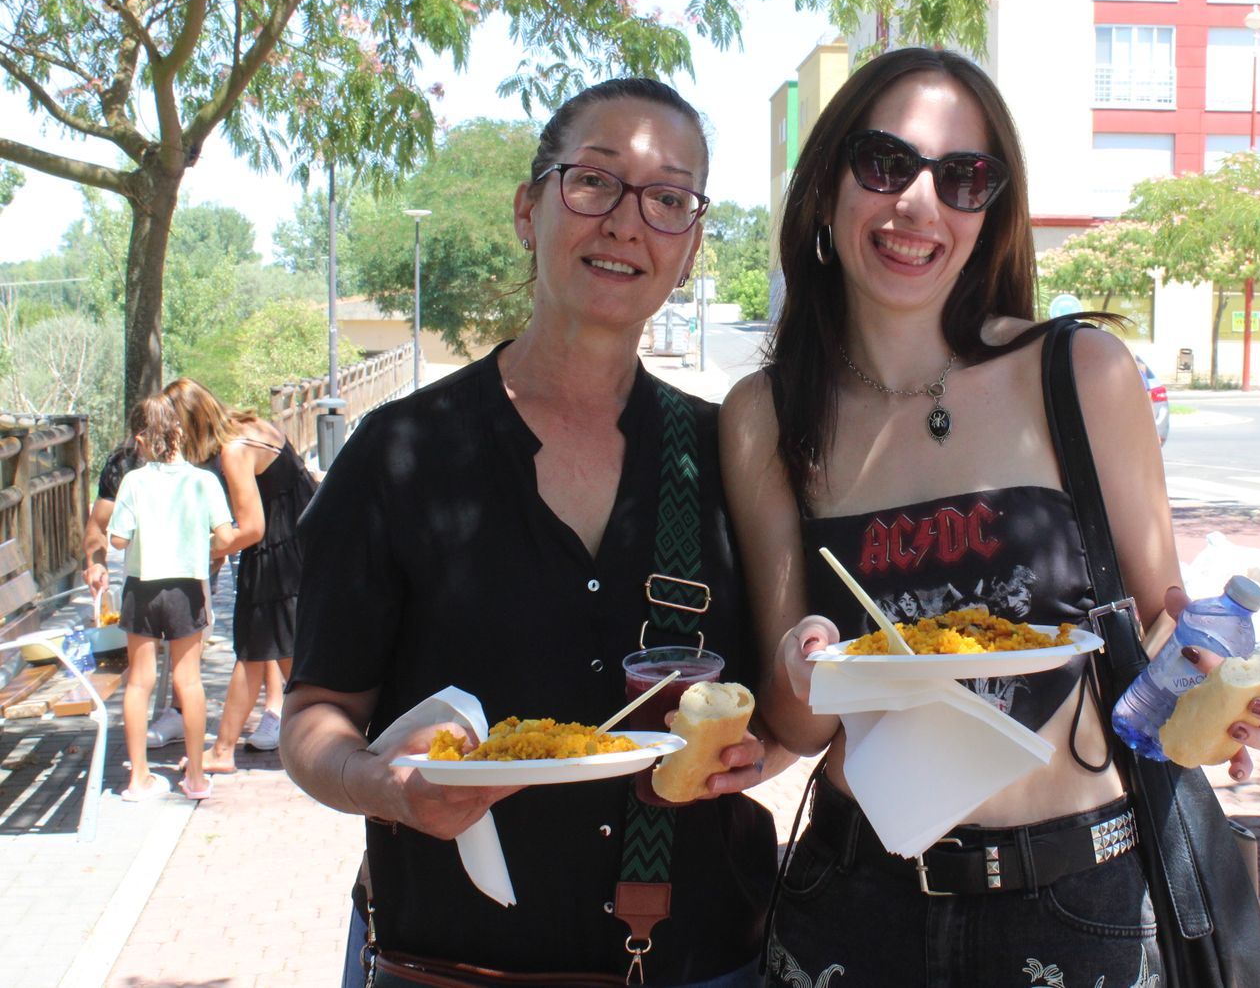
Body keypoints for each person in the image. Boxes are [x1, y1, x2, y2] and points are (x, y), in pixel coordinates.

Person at [720, 48, 1260, 985]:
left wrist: (1213, 690)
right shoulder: (769, 414)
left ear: (992, 213)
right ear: (826, 184)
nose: (920, 204)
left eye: (964, 178)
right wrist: (799, 664)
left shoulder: (1080, 373)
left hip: (1081, 897)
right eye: (885, 163)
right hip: (858, 899)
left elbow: (1163, 627)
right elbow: (798, 718)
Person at [279, 78, 782, 987]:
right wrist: (381, 786)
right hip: (449, 965)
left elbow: (784, 713)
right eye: (594, 182)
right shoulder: (400, 454)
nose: (628, 223)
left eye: (669, 199)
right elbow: (316, 719)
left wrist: (756, 751)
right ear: (528, 208)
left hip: (698, 965)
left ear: (693, 242)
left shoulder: (724, 456)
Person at [167, 377, 312, 773]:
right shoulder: (254, 428)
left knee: (265, 653)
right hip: (299, 545)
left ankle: (327, 740)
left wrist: (199, 552)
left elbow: (251, 528)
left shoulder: (233, 451)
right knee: (269, 653)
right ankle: (226, 749)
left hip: (279, 556)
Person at [107, 395, 236, 800]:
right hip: (186, 587)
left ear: (142, 439)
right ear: (179, 433)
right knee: (190, 681)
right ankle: (196, 778)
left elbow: (117, 539)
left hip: (141, 588)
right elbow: (227, 536)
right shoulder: (203, 481)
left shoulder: (133, 482)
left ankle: (138, 777)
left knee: (139, 683)